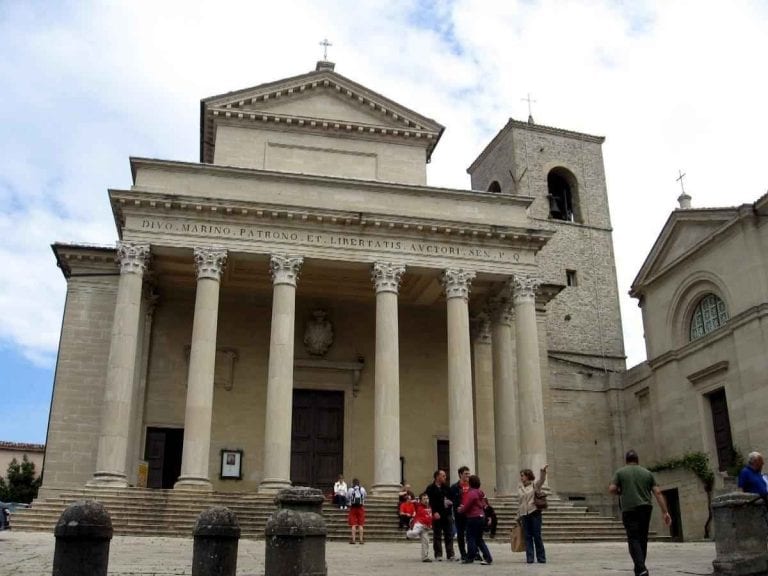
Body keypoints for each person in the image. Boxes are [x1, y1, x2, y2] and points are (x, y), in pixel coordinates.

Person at [609, 450, 672, 576]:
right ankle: (639, 569)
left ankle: (641, 568)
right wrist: (665, 512)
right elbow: (658, 493)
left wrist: (620, 492)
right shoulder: (647, 473)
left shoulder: (620, 472)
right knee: (642, 538)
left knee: (633, 539)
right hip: (645, 508)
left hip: (629, 510)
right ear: (638, 460)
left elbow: (612, 489)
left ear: (626, 460)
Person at [457, 475, 492, 565]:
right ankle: (488, 557)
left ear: (471, 483)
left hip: (473, 517)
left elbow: (467, 506)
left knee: (471, 538)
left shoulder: (471, 493)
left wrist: (460, 509)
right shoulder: (480, 492)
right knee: (479, 539)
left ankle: (470, 557)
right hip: (481, 516)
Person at [518, 465, 548, 564]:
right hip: (524, 514)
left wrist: (543, 471)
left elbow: (542, 480)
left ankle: (541, 558)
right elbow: (520, 502)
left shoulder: (535, 485)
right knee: (527, 536)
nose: (521, 477)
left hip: (534, 512)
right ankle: (530, 558)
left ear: (527, 476)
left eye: (522, 475)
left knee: (537, 536)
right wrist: (518, 516)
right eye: (521, 475)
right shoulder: (520, 488)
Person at [425, 469, 456, 561]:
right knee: (437, 535)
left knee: (449, 535)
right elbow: (428, 502)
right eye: (443, 476)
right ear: (437, 477)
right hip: (436, 515)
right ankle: (438, 554)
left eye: (445, 476)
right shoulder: (430, 488)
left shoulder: (447, 488)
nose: (445, 477)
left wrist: (450, 503)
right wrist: (434, 512)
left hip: (447, 515)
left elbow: (452, 499)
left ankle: (450, 554)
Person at [449, 465, 471, 560]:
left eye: (468, 474)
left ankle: (473, 552)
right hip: (459, 513)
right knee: (461, 534)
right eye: (466, 474)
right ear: (460, 474)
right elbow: (451, 500)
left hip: (470, 513)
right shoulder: (454, 487)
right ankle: (463, 553)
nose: (468, 476)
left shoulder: (472, 485)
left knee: (471, 534)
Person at [406, 492, 434, 562]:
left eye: (427, 498)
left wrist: (431, 523)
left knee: (426, 541)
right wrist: (413, 500)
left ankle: (425, 557)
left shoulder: (430, 507)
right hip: (418, 524)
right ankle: (408, 534)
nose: (426, 500)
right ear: (421, 500)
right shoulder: (418, 505)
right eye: (424, 499)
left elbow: (430, 517)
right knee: (414, 533)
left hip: (426, 527)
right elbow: (411, 502)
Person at [347, 478, 367, 544]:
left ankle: (353, 540)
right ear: (359, 483)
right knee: (360, 524)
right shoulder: (362, 489)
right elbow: (365, 496)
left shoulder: (350, 489)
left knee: (353, 524)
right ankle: (361, 540)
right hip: (360, 508)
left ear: (353, 483)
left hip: (353, 508)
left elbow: (347, 497)